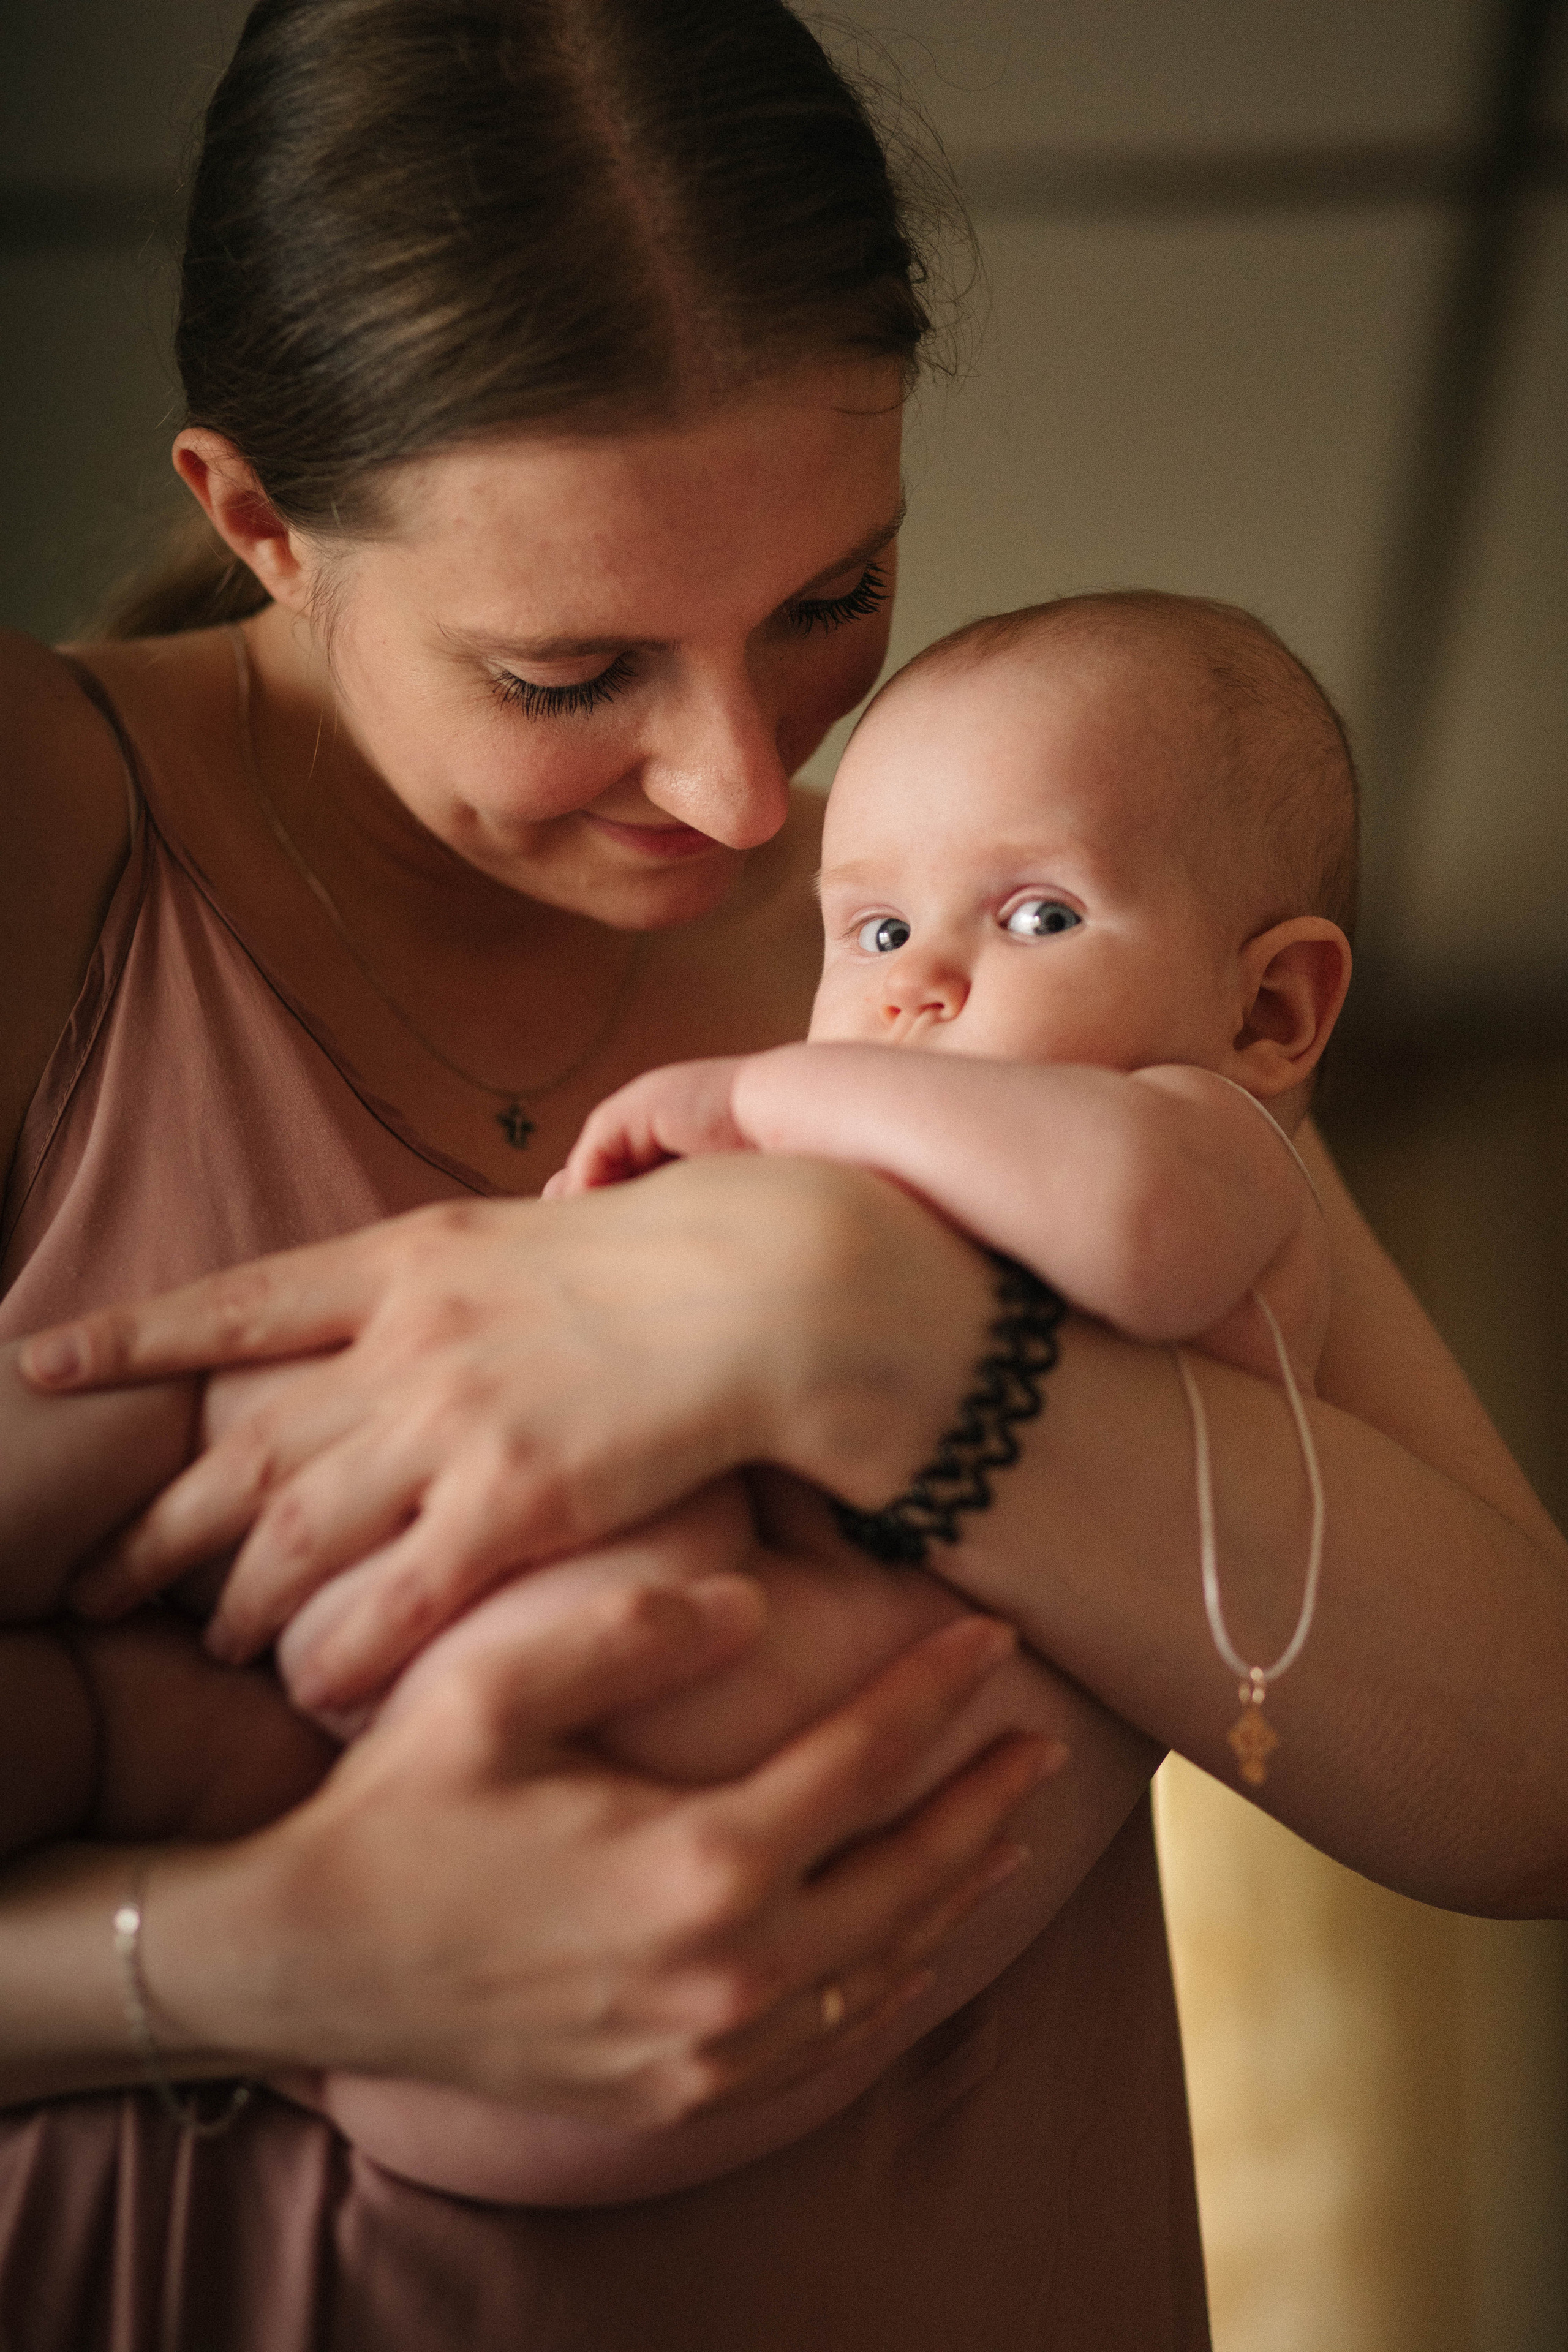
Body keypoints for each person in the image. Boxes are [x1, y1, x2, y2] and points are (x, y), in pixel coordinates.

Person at [2, 2, 1564, 2346]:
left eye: (836, 596)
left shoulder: (995, 938)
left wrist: (879, 1349)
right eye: (571, 672)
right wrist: (228, 1964)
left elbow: (1523, 1774)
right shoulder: (44, 839)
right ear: (255, 523)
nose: (746, 798)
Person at [0, 587, 1351, 2211]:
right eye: (871, 930)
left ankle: (268, 1955)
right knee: (128, 1700)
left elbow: (1129, 1233)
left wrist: (756, 1098)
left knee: (279, 1844)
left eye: (1040, 918)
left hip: (718, 1800)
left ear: (1270, 1009)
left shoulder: (1210, 1141)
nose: (921, 984)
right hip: (464, 1665)